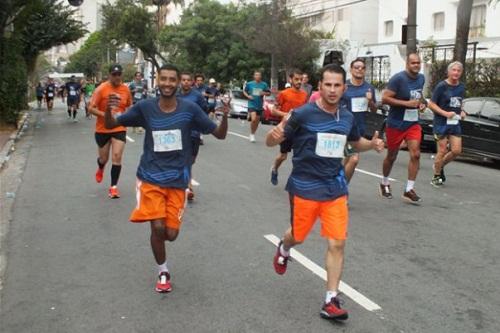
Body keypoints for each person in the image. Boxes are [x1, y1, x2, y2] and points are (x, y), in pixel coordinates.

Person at [266, 64, 384, 321]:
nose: (332, 90)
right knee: (297, 236)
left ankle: (331, 299)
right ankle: (284, 248)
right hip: (305, 187)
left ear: (344, 88)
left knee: (337, 242)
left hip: (334, 187)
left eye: (337, 85)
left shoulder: (347, 117)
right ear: (319, 86)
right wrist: (273, 136)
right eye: (327, 85)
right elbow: (273, 140)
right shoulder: (302, 114)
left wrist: (372, 144)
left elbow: (355, 143)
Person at [103, 64, 230, 293]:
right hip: (150, 177)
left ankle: (163, 253)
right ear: (157, 81)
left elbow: (219, 135)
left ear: (179, 81)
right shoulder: (145, 108)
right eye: (164, 79)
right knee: (157, 227)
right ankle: (163, 270)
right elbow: (114, 124)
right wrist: (108, 111)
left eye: (172, 79)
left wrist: (225, 116)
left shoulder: (190, 109)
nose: (168, 84)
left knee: (171, 234)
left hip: (178, 180)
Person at [380, 53, 426, 204]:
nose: (416, 65)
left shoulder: (421, 78)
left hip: (412, 123)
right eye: (413, 63)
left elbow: (419, 97)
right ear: (407, 64)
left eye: (418, 63)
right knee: (391, 156)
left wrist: (422, 103)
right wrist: (406, 104)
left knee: (416, 154)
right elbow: (385, 98)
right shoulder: (398, 78)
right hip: (396, 123)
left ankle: (409, 189)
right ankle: (385, 182)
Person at [88, 64, 133, 198]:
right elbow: (91, 108)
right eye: (114, 74)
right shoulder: (101, 89)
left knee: (117, 156)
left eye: (119, 74)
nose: (117, 77)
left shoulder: (125, 89)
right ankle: (101, 167)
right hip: (103, 129)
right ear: (109, 75)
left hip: (119, 127)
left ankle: (113, 187)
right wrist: (106, 116)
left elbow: (129, 105)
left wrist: (127, 115)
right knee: (104, 158)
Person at [429, 61, 466, 187]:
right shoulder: (441, 86)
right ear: (449, 72)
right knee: (442, 150)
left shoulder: (461, 87)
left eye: (458, 71)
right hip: (441, 122)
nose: (456, 73)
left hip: (454, 123)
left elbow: (458, 104)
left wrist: (462, 111)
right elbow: (431, 104)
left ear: (461, 73)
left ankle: (438, 166)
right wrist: (445, 113)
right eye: (453, 70)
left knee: (456, 150)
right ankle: (436, 176)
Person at [342, 58, 378, 183]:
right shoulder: (344, 86)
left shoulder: (369, 88)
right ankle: (341, 191)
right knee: (353, 159)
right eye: (356, 67)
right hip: (344, 128)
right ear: (351, 69)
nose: (359, 69)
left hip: (359, 131)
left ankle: (337, 187)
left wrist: (370, 101)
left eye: (362, 67)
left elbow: (374, 110)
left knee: (346, 161)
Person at [270, 69, 308, 185]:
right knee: (283, 156)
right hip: (287, 128)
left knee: (300, 157)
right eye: (296, 79)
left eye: (301, 80)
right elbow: (273, 110)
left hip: (300, 130)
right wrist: (286, 115)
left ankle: (297, 181)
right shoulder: (284, 94)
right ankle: (274, 169)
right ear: (290, 80)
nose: (299, 82)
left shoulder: (304, 95)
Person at [176, 72, 208, 201]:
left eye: (188, 80)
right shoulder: (175, 95)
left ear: (192, 82)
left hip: (194, 132)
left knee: (191, 160)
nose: (186, 82)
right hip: (178, 132)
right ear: (180, 81)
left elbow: (204, 112)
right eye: (183, 80)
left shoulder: (197, 96)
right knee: (186, 160)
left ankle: (183, 180)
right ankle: (188, 187)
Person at [243, 70, 271, 142]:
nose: (257, 76)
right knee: (253, 119)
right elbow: (244, 91)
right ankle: (251, 134)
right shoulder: (249, 84)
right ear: (254, 76)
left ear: (261, 76)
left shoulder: (264, 84)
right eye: (256, 75)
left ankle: (252, 134)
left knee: (257, 121)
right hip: (252, 104)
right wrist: (248, 96)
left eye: (259, 75)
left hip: (259, 105)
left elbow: (269, 93)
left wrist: (263, 93)